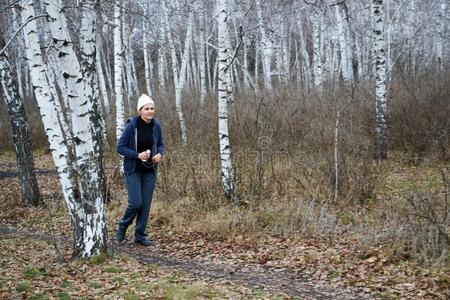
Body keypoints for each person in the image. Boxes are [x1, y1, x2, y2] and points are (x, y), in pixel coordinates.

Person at [116, 94, 164, 246]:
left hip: (150, 171)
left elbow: (161, 144)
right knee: (136, 203)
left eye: (152, 108)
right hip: (133, 170)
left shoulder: (156, 125)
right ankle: (123, 225)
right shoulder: (132, 126)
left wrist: (159, 154)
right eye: (146, 109)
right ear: (140, 110)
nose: (150, 111)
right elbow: (120, 147)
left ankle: (140, 235)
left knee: (146, 204)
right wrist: (137, 155)